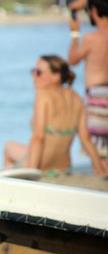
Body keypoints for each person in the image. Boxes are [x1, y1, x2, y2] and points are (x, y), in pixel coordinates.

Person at [3, 55, 107, 176]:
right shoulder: (77, 98)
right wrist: (100, 169)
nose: (34, 76)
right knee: (12, 147)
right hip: (63, 167)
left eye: (38, 72)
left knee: (8, 147)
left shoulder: (43, 96)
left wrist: (31, 171)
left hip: (41, 165)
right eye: (33, 71)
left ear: (56, 76)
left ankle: (6, 188)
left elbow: (39, 137)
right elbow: (86, 139)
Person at [68, 0, 108, 158]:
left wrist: (75, 33)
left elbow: (72, 60)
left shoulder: (91, 38)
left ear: (94, 11)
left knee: (97, 146)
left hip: (96, 94)